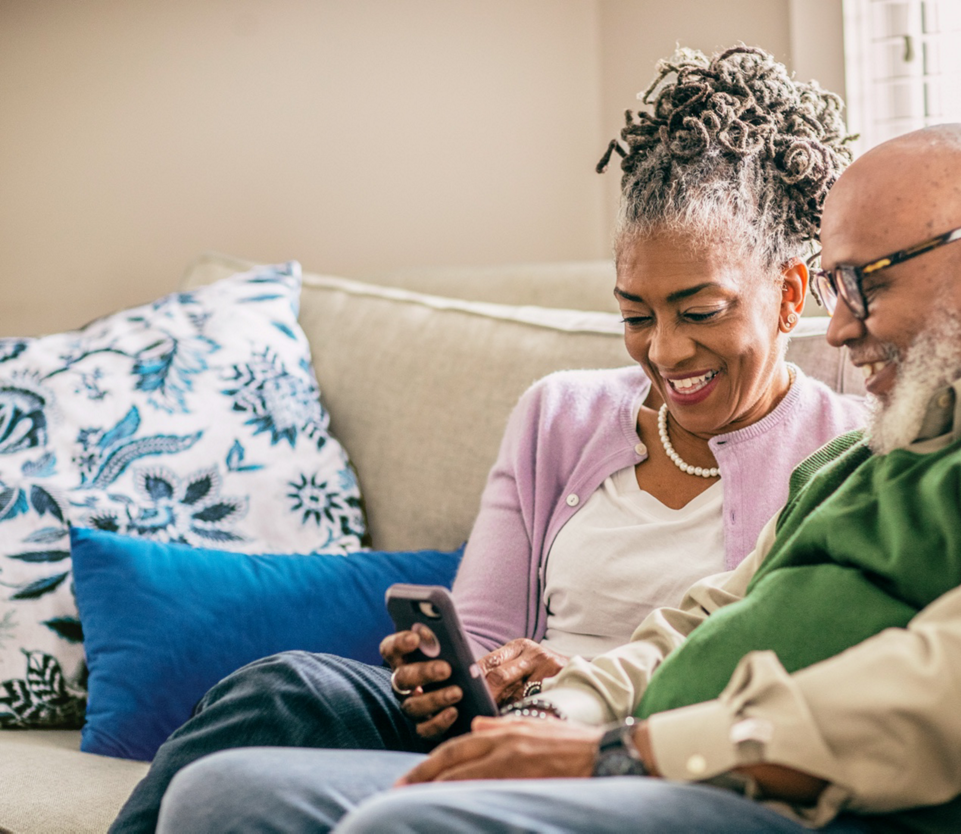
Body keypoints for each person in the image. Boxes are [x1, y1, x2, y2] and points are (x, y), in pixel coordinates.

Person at [150, 122, 961, 834]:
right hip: (646, 761)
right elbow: (699, 619)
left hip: (803, 804)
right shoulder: (885, 445)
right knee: (226, 795)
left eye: (859, 286)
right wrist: (560, 713)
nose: (841, 329)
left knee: (402, 823)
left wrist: (621, 754)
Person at [108, 46, 865, 833]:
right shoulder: (559, 414)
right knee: (283, 690)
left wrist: (577, 680)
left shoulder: (848, 455)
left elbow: (795, 687)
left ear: (787, 294)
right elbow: (484, 641)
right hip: (503, 734)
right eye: (637, 316)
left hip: (648, 756)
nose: (665, 352)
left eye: (699, 311)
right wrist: (449, 677)